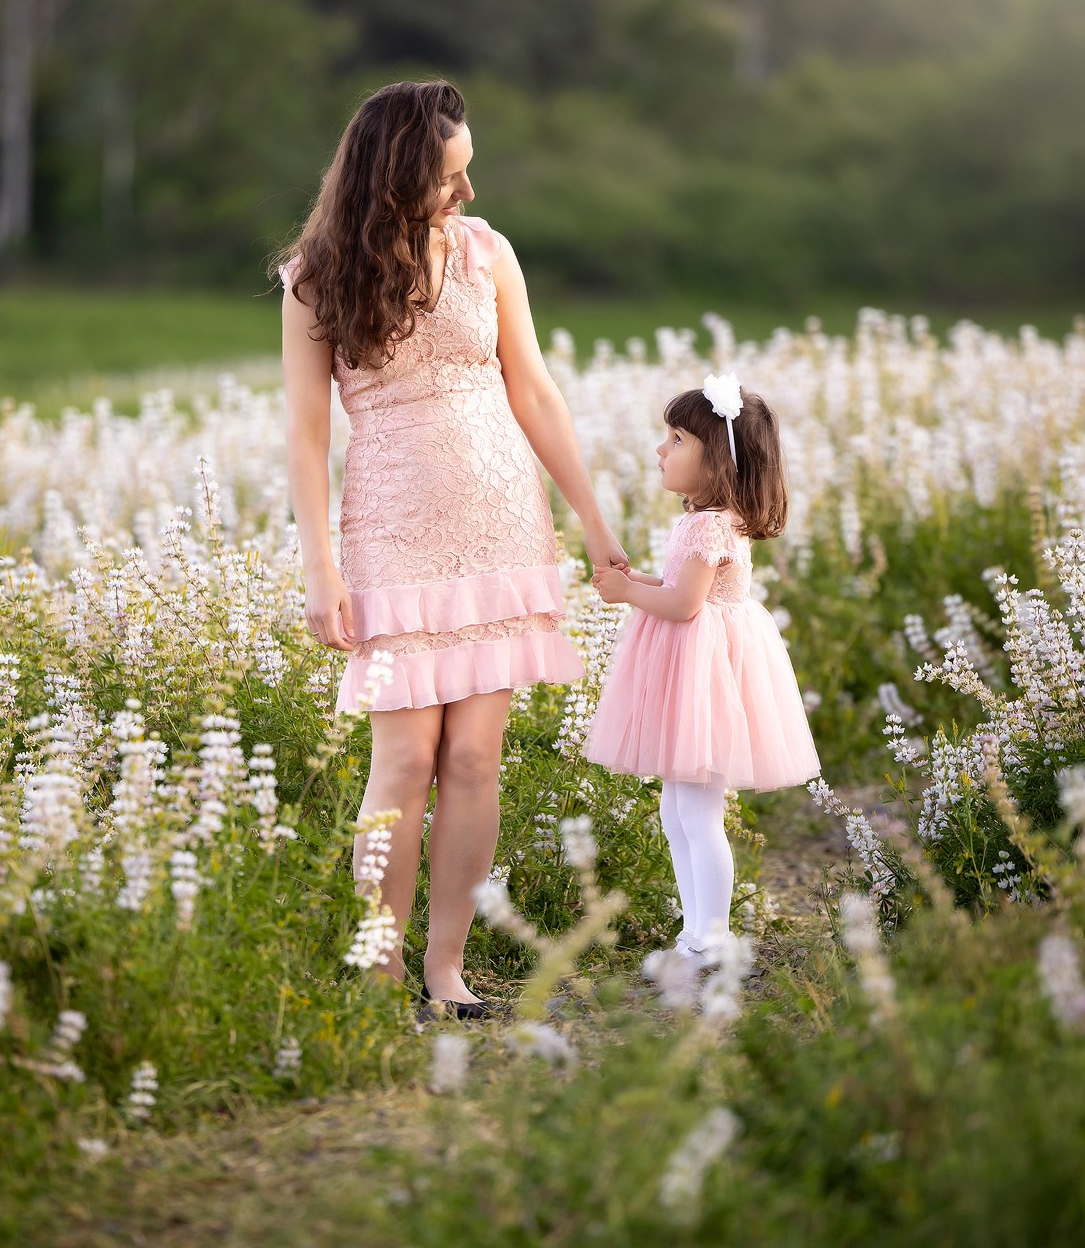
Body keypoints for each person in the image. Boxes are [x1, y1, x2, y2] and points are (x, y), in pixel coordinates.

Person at [279, 79, 630, 1019]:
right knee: (401, 762)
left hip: (502, 523)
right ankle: (376, 972)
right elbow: (306, 436)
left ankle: (444, 971)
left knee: (474, 761)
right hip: (390, 532)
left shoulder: (487, 253)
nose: (467, 195)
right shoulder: (317, 275)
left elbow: (538, 393)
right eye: (448, 178)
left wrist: (594, 526)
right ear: (393, 176)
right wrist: (322, 568)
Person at [582, 373, 820, 959]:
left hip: (703, 673)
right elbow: (683, 587)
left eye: (677, 440)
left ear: (717, 459)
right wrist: (640, 580)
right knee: (679, 808)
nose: (661, 450)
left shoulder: (708, 523)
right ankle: (696, 932)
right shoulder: (712, 519)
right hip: (699, 666)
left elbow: (685, 605)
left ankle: (710, 939)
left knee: (696, 810)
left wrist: (626, 594)